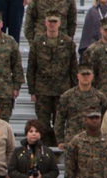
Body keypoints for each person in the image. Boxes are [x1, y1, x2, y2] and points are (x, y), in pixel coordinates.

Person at [26, 13, 76, 146]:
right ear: (45, 23)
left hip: (62, 90)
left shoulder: (68, 42)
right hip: (43, 90)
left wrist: (73, 90)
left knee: (59, 123)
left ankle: (58, 151)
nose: (52, 24)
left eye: (55, 21)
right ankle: (43, 151)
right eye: (50, 21)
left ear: (60, 23)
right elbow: (32, 67)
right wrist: (32, 90)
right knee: (43, 124)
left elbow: (73, 68)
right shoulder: (37, 42)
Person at [55, 64, 107, 150]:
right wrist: (60, 140)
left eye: (88, 74)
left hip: (93, 139)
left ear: (92, 76)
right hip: (72, 140)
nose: (85, 77)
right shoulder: (67, 96)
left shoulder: (100, 97)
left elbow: (105, 119)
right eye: (83, 74)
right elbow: (59, 119)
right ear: (78, 76)